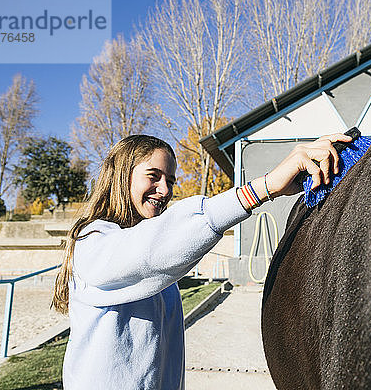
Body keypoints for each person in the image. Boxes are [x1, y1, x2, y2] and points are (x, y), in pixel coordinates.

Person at [52, 132, 351, 389]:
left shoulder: (151, 261)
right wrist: (266, 187)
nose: (165, 190)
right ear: (121, 176)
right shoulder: (92, 242)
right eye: (153, 176)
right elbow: (151, 248)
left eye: (169, 180)